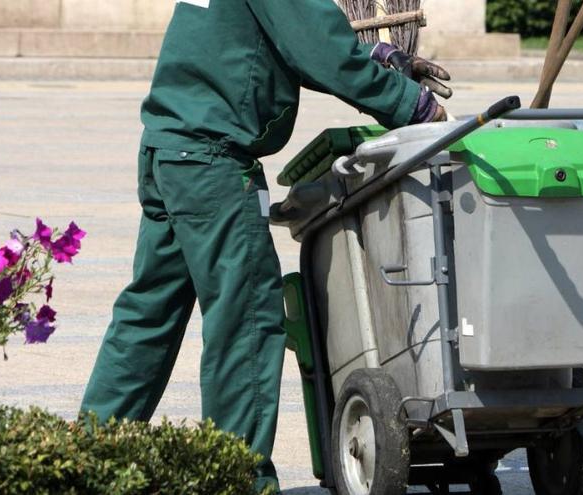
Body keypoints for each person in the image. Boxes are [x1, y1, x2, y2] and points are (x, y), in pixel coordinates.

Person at [79, 0, 452, 492]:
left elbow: (282, 39)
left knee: (148, 316)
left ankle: (84, 457)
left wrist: (381, 58)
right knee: (248, 321)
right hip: (213, 159)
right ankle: (236, 477)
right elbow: (318, 46)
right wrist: (413, 106)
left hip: (170, 147)